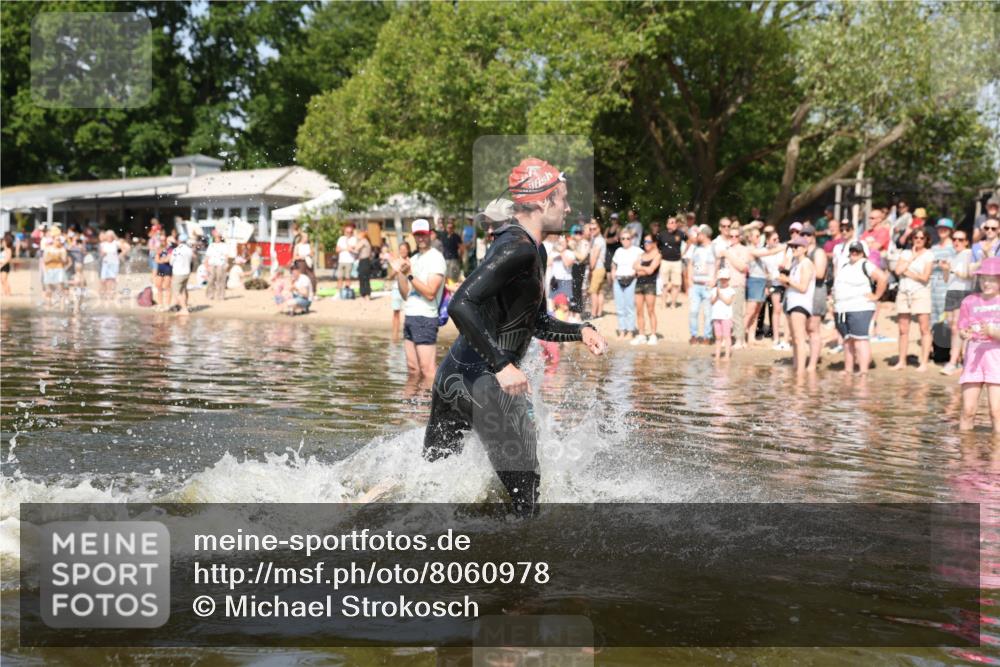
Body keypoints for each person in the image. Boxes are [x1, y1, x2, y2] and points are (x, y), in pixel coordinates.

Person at [422, 157, 607, 517]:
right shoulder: (519, 248)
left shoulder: (527, 247)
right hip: (487, 386)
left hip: (454, 379)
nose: (568, 207)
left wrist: (579, 329)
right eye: (563, 199)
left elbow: (533, 321)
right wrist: (503, 365)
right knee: (528, 505)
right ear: (542, 201)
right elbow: (461, 303)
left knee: (429, 485)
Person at [389, 218, 445, 382]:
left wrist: (409, 275)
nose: (421, 238)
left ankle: (430, 406)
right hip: (411, 316)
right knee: (413, 370)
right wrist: (400, 272)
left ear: (430, 235)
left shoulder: (436, 258)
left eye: (423, 234)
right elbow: (406, 294)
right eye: (417, 235)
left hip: (426, 318)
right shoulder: (413, 260)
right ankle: (409, 405)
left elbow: (430, 293)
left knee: (428, 371)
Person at [957, 257, 1000, 432]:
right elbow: (962, 328)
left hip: (996, 360)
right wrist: (964, 334)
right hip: (974, 359)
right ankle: (966, 456)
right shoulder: (969, 301)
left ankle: (997, 455)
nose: (987, 283)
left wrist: (992, 332)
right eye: (984, 279)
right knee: (968, 411)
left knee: (996, 412)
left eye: (992, 279)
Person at [833, 242, 888, 376]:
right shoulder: (845, 266)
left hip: (860, 307)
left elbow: (882, 278)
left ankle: (863, 371)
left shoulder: (865, 264)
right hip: (842, 308)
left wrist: (876, 296)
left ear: (864, 253)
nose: (854, 253)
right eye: (852, 250)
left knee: (860, 339)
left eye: (857, 250)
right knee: (847, 340)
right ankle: (848, 369)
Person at [892, 228, 934, 371]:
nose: (918, 240)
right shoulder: (906, 253)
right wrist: (911, 258)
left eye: (922, 238)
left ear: (926, 239)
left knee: (924, 328)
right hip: (904, 292)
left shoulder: (929, 255)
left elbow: (924, 277)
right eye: (916, 237)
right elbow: (897, 271)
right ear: (912, 239)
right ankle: (901, 361)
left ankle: (924, 362)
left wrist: (908, 272)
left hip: (920, 292)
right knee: (903, 329)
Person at [778, 236, 815, 373]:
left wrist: (788, 280)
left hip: (801, 304)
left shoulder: (806, 263)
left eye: (796, 247)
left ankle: (800, 372)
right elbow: (792, 285)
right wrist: (784, 281)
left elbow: (803, 287)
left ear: (804, 249)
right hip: (793, 302)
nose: (793, 249)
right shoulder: (795, 264)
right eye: (792, 246)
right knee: (794, 338)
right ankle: (796, 367)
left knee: (799, 338)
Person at [942, 229, 974, 376]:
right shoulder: (953, 255)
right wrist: (946, 270)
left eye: (960, 240)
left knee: (958, 327)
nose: (956, 242)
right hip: (952, 291)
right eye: (954, 239)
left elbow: (969, 275)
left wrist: (952, 269)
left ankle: (954, 362)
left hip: (963, 291)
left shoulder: (968, 254)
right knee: (953, 327)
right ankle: (959, 360)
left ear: (966, 241)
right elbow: (946, 279)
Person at [802, 224, 829, 371]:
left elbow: (819, 273)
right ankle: (810, 358)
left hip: (816, 291)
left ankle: (812, 364)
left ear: (813, 236)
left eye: (808, 235)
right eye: (803, 235)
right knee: (806, 328)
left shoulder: (818, 252)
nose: (805, 237)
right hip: (804, 292)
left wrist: (802, 272)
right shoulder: (801, 252)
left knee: (813, 328)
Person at [719, 223, 750, 348]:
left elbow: (742, 267)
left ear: (740, 237)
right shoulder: (726, 249)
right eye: (731, 236)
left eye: (736, 236)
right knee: (726, 314)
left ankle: (740, 340)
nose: (733, 238)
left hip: (737, 285)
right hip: (726, 285)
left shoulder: (744, 250)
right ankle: (727, 338)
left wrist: (728, 255)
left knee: (737, 314)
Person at [687, 224, 717, 344]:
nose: (697, 236)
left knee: (708, 312)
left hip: (707, 284)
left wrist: (714, 280)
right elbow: (690, 264)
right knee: (693, 311)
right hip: (696, 284)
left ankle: (707, 336)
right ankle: (694, 335)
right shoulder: (695, 248)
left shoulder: (713, 248)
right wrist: (689, 280)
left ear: (704, 235)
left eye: (699, 234)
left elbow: (718, 264)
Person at [610, 229, 641, 339]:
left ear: (631, 239)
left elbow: (643, 261)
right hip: (618, 280)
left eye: (628, 238)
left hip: (631, 280)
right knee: (619, 307)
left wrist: (637, 271)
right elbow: (614, 263)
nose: (625, 240)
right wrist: (613, 273)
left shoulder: (637, 250)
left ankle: (630, 331)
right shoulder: (619, 250)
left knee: (629, 307)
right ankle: (622, 330)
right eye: (623, 238)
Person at [633, 233, 661, 345]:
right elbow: (634, 267)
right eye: (644, 241)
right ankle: (641, 334)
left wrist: (641, 269)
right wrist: (644, 269)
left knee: (650, 310)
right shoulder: (642, 254)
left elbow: (651, 270)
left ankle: (653, 335)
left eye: (648, 242)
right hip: (639, 284)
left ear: (654, 243)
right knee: (639, 311)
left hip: (650, 284)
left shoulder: (657, 255)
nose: (646, 244)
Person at [657, 216, 684, 309]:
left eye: (674, 222)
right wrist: (660, 254)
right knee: (664, 284)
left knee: (676, 284)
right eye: (671, 222)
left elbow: (690, 241)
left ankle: (673, 303)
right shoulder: (662, 234)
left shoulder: (680, 234)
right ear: (667, 224)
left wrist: (683, 252)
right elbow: (658, 246)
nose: (673, 224)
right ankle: (663, 303)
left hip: (677, 262)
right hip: (665, 261)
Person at [710, 269, 736, 360]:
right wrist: (717, 295)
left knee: (726, 336)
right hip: (716, 316)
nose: (723, 281)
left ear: (728, 279)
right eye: (721, 279)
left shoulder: (731, 290)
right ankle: (717, 355)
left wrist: (720, 295)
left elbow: (728, 302)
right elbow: (712, 302)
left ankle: (727, 356)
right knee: (718, 336)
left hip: (726, 317)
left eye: (725, 279)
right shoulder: (714, 290)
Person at [539, 292, 571, 366]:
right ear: (561, 305)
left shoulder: (554, 313)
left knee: (545, 357)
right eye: (566, 304)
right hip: (550, 341)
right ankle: (551, 375)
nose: (568, 306)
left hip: (543, 339)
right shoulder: (561, 314)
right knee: (555, 359)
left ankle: (541, 372)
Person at [388, 241, 411, 340]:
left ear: (408, 250)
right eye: (401, 249)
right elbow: (390, 277)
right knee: (396, 312)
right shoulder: (395, 262)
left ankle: (407, 335)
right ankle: (395, 335)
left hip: (408, 290)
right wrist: (396, 270)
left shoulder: (412, 261)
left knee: (408, 313)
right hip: (396, 289)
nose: (402, 251)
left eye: (404, 249)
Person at [41, 227, 68, 307]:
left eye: (60, 240)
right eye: (57, 239)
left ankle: (61, 308)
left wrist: (58, 258)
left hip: (59, 270)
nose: (59, 241)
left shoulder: (62, 249)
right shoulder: (48, 249)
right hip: (49, 270)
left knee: (60, 290)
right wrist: (53, 258)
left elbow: (64, 261)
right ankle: (48, 307)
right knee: (49, 291)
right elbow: (45, 261)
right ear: (53, 240)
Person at [587, 218, 607, 318]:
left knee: (593, 292)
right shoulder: (598, 239)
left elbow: (594, 256)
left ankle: (594, 313)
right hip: (601, 268)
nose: (592, 231)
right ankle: (599, 313)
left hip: (597, 269)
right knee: (599, 292)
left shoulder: (598, 240)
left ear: (599, 228)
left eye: (594, 229)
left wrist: (591, 269)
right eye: (590, 229)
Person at [569, 223, 590, 318]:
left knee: (579, 291)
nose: (578, 235)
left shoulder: (585, 243)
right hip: (572, 269)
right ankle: (571, 312)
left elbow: (582, 257)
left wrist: (573, 249)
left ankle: (578, 313)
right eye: (576, 233)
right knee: (571, 291)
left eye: (580, 233)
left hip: (580, 268)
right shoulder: (571, 242)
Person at [170, 234, 194, 314]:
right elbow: (191, 261)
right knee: (183, 290)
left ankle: (184, 309)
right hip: (187, 272)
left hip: (178, 273)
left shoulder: (176, 250)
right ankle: (184, 306)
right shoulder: (189, 250)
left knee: (176, 292)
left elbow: (171, 262)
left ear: (178, 241)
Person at [205, 229, 229, 301]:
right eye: (215, 237)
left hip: (220, 264)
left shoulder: (224, 245)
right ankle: (210, 295)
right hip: (212, 264)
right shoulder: (211, 245)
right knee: (210, 280)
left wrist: (226, 263)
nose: (217, 238)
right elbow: (207, 256)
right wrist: (206, 265)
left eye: (218, 237)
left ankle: (220, 296)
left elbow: (226, 255)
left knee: (220, 280)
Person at [99, 230, 122, 303]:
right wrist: (103, 253)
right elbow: (101, 254)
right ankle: (105, 293)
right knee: (103, 279)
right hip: (106, 263)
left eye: (111, 236)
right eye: (108, 236)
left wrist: (120, 256)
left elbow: (125, 247)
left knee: (112, 279)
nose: (109, 237)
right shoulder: (103, 244)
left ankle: (111, 294)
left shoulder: (116, 243)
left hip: (114, 263)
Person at [154, 232, 174, 311]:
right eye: (161, 240)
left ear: (166, 240)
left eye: (163, 240)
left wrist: (161, 259)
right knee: (158, 286)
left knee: (167, 287)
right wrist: (161, 259)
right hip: (161, 269)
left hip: (167, 269)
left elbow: (168, 259)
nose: (162, 241)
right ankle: (160, 304)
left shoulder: (170, 249)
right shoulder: (159, 248)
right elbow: (156, 260)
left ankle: (167, 305)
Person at [335, 223, 357, 291]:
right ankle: (339, 290)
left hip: (349, 261)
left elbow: (351, 248)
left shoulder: (354, 239)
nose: (348, 233)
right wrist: (346, 249)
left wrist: (345, 245)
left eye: (350, 232)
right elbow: (337, 250)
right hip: (341, 261)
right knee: (339, 276)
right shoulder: (341, 238)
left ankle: (347, 290)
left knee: (348, 277)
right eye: (347, 232)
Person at [355, 229, 373, 299]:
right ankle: (365, 294)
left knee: (363, 278)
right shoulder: (366, 241)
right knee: (365, 278)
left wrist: (349, 247)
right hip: (365, 261)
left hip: (364, 261)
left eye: (359, 234)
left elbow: (356, 248)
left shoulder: (363, 241)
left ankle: (365, 294)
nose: (357, 235)